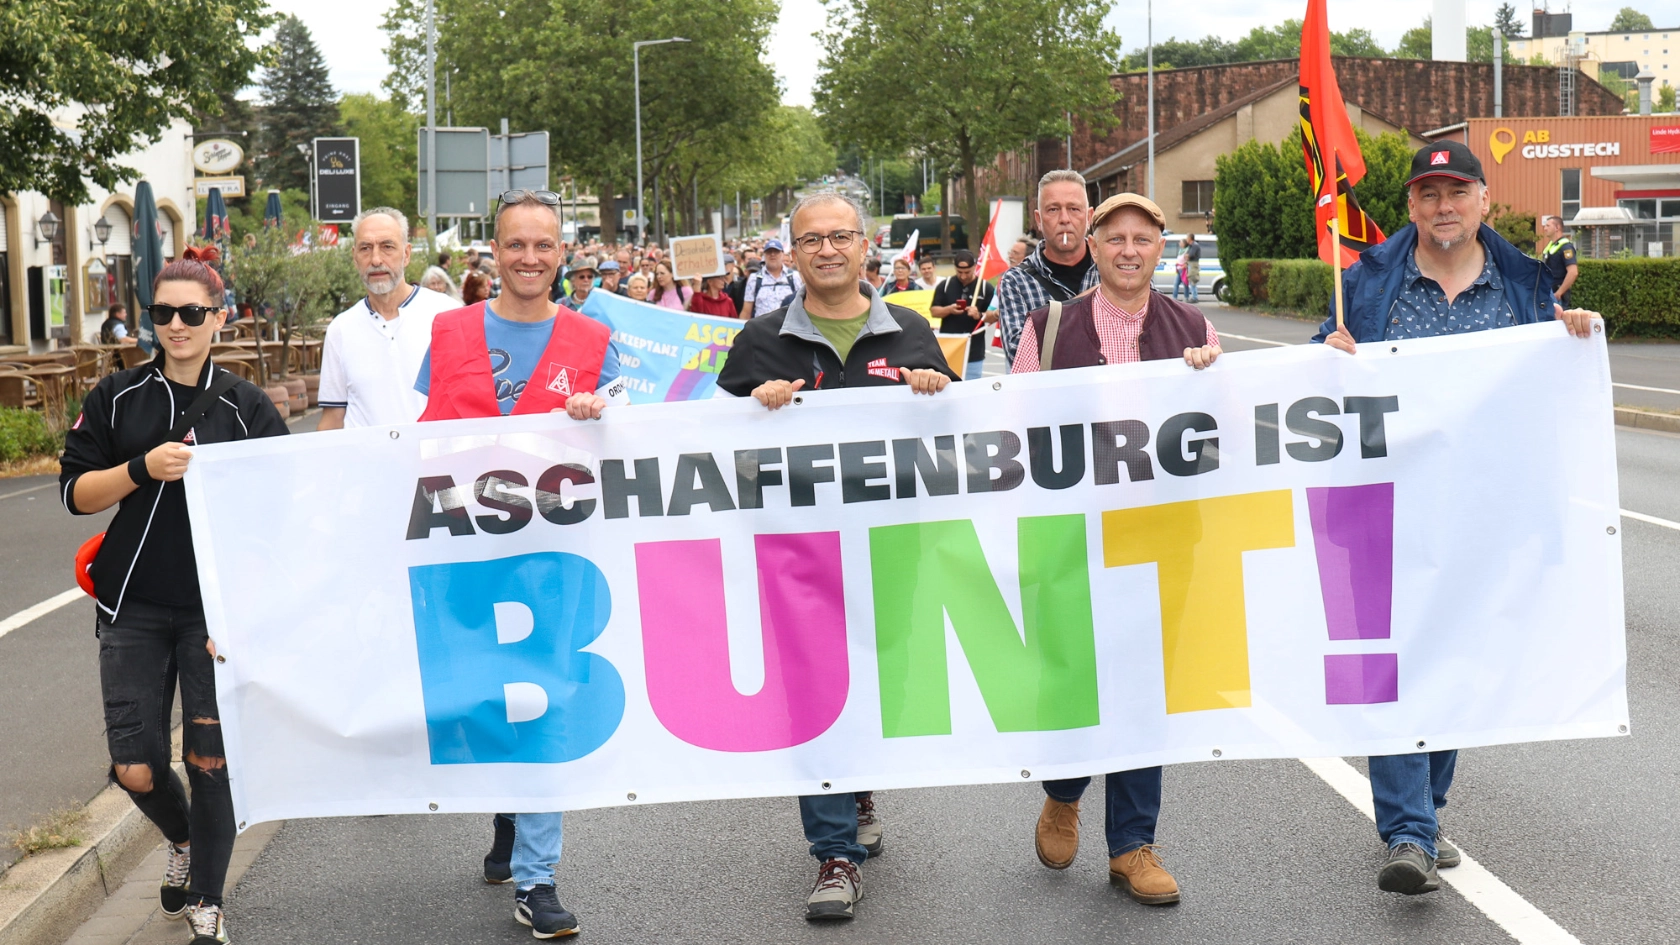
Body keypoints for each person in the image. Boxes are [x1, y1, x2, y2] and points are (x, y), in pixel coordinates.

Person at [1315, 140, 1600, 896]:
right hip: (1385, 507)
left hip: (1486, 513)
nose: (1443, 206)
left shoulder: (1522, 288)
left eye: (1457, 191)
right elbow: (1320, 376)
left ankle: (1426, 812)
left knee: (1460, 661)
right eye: (1428, 193)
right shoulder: (1366, 285)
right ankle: (1408, 831)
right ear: (1410, 205)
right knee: (1395, 661)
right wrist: (1329, 352)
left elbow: (1545, 378)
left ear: (1482, 198)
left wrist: (1573, 337)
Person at [717, 192, 957, 922]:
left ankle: (856, 787)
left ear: (865, 247)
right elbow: (707, 451)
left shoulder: (912, 332)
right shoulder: (758, 340)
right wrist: (749, 408)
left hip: (892, 550)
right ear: (790, 254)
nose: (826, 249)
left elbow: (959, 440)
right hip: (800, 557)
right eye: (810, 239)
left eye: (840, 236)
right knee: (816, 694)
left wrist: (937, 391)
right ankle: (834, 853)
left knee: (884, 684)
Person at [58, 246, 288, 945]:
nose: (177, 325)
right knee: (135, 766)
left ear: (219, 318)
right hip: (132, 604)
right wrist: (142, 466)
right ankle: (182, 837)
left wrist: (252, 607)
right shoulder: (117, 396)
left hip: (215, 617)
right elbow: (75, 492)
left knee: (209, 758)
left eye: (192, 312)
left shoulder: (248, 405)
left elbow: (285, 510)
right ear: (150, 319)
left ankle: (209, 902)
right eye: (163, 313)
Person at [415, 190, 630, 940]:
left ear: (562, 251)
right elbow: (418, 436)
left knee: (548, 696)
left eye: (544, 245)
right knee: (476, 695)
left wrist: (603, 417)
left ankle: (537, 878)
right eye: (516, 244)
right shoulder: (448, 331)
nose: (530, 258)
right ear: (493, 250)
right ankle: (509, 806)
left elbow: (635, 437)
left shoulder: (595, 339)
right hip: (465, 547)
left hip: (554, 552)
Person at [1009, 193, 1218, 908]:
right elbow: (1014, 429)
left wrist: (1205, 385)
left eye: (1144, 238)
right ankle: (1064, 789)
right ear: (1093, 247)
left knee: (1144, 684)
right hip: (1071, 534)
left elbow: (1221, 441)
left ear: (1162, 249)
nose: (1130, 250)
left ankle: (1131, 843)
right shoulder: (1049, 324)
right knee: (1073, 675)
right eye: (1116, 237)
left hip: (1160, 536)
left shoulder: (1193, 327)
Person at [317, 208, 460, 431]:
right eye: (366, 248)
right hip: (366, 464)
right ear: (355, 257)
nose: (376, 259)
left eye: (387, 247)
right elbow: (333, 419)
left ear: (407, 254)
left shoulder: (447, 315)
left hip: (432, 463)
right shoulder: (340, 329)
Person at [997, 170, 1101, 367]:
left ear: (1089, 217)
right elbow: (1020, 356)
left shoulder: (1114, 269)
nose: (1064, 219)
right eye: (1053, 209)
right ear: (1039, 219)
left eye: (1074, 209)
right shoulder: (1016, 281)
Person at [929, 249, 997, 380]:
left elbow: (993, 316)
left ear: (975, 268)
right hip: (949, 349)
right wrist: (949, 309)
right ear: (955, 268)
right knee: (949, 386)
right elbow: (934, 311)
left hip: (974, 351)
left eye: (967, 272)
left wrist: (979, 315)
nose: (963, 276)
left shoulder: (985, 287)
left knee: (973, 388)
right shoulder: (945, 285)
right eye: (959, 272)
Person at [738, 238, 801, 318]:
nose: (772, 254)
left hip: (788, 328)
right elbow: (746, 311)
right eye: (769, 252)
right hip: (761, 328)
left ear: (782, 254)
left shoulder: (794, 277)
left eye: (776, 251)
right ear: (764, 255)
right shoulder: (754, 278)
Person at [1539, 214, 1578, 309]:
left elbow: (1573, 272)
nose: (1545, 228)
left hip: (1556, 296)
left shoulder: (1565, 247)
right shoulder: (1551, 246)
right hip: (1547, 294)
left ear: (1557, 227)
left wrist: (1559, 293)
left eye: (1548, 226)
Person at [1181, 233, 1202, 302]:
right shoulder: (1191, 246)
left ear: (1190, 238)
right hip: (1190, 264)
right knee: (1191, 280)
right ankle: (1193, 296)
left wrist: (1187, 255)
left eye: (1187, 237)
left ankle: (1195, 297)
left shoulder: (1194, 245)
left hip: (1193, 265)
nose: (1186, 239)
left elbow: (1191, 255)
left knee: (1193, 280)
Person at [1171, 236, 1191, 301]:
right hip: (1179, 269)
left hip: (1184, 269)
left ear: (1184, 244)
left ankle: (1186, 297)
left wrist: (1186, 264)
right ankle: (1174, 297)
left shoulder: (1187, 250)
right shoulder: (1180, 250)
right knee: (1176, 284)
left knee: (1185, 284)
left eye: (1180, 242)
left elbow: (1188, 260)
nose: (1179, 243)